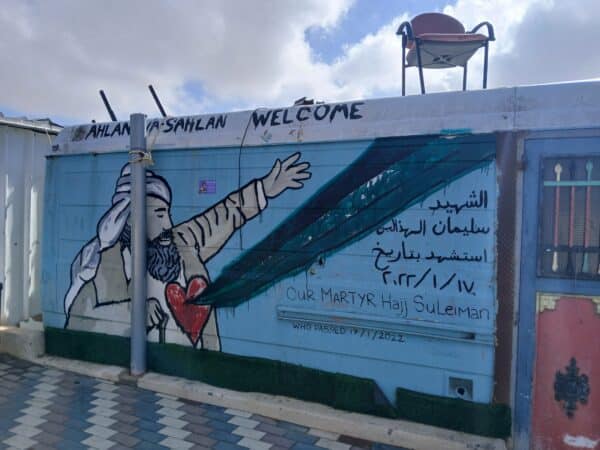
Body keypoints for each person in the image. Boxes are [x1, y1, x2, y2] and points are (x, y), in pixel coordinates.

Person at [64, 153, 311, 350]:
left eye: (168, 214)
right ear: (131, 218)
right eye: (160, 214)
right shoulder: (104, 264)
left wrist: (264, 189)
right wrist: (132, 313)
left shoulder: (180, 241)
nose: (168, 224)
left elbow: (222, 216)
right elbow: (78, 320)